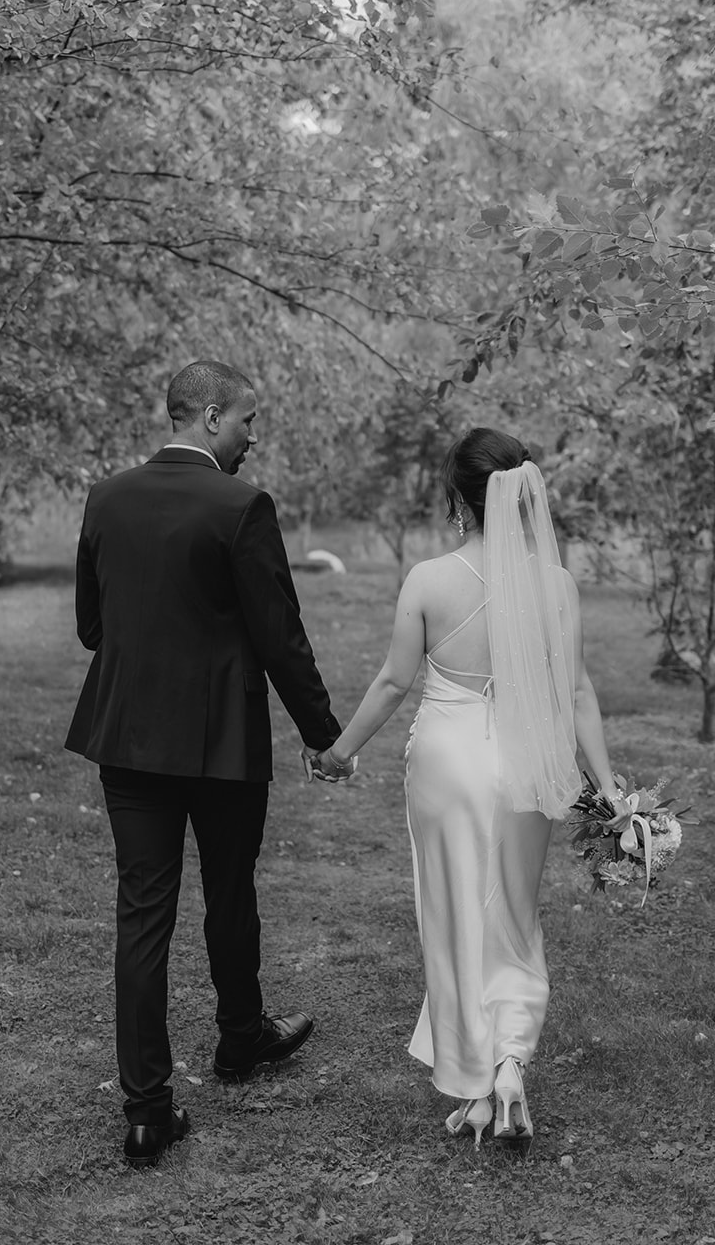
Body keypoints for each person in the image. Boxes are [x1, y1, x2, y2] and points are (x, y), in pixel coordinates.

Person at [66, 360, 343, 1168]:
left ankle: (148, 1111)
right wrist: (321, 732)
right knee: (229, 889)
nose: (253, 437)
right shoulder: (240, 505)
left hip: (128, 739)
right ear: (212, 415)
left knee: (142, 912)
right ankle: (237, 1040)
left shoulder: (106, 497)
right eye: (248, 421)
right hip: (221, 740)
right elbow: (277, 636)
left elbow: (92, 626)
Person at [310, 427, 615, 1153]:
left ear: (458, 499)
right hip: (525, 763)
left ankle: (478, 1080)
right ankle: (509, 1063)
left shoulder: (427, 579)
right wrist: (608, 788)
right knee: (511, 915)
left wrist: (339, 753)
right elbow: (574, 692)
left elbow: (392, 681)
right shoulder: (556, 586)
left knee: (452, 918)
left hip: (447, 762)